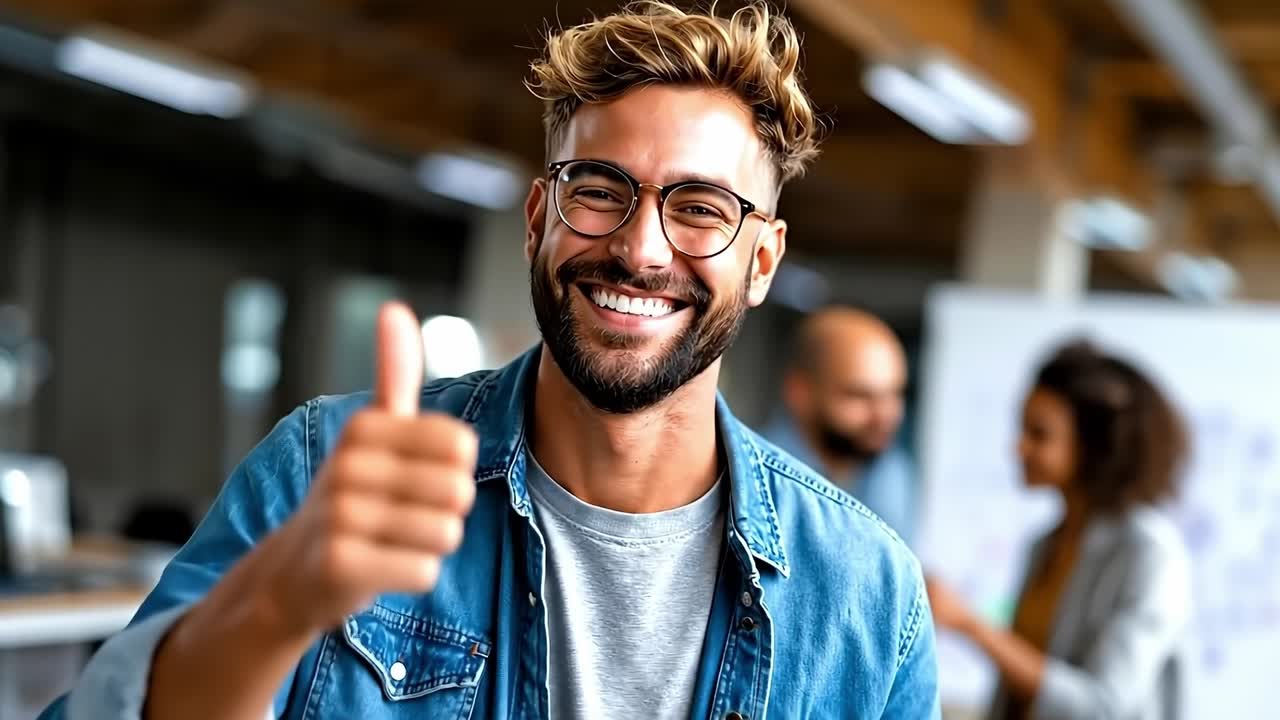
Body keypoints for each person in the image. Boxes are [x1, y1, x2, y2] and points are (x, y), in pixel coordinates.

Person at [40, 3, 938, 719]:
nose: (642, 250)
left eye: (700, 207)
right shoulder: (327, 471)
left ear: (764, 260)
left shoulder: (865, 597)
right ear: (540, 217)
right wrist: (274, 608)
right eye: (600, 191)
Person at [926, 340, 1192, 720]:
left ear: (1095, 445)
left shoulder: (1149, 551)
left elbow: (1104, 706)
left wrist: (971, 625)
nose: (1018, 447)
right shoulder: (1045, 544)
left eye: (1040, 433)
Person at [765, 307, 917, 542]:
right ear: (800, 393)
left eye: (894, 394)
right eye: (860, 395)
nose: (885, 415)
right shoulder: (755, 481)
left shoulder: (892, 470)